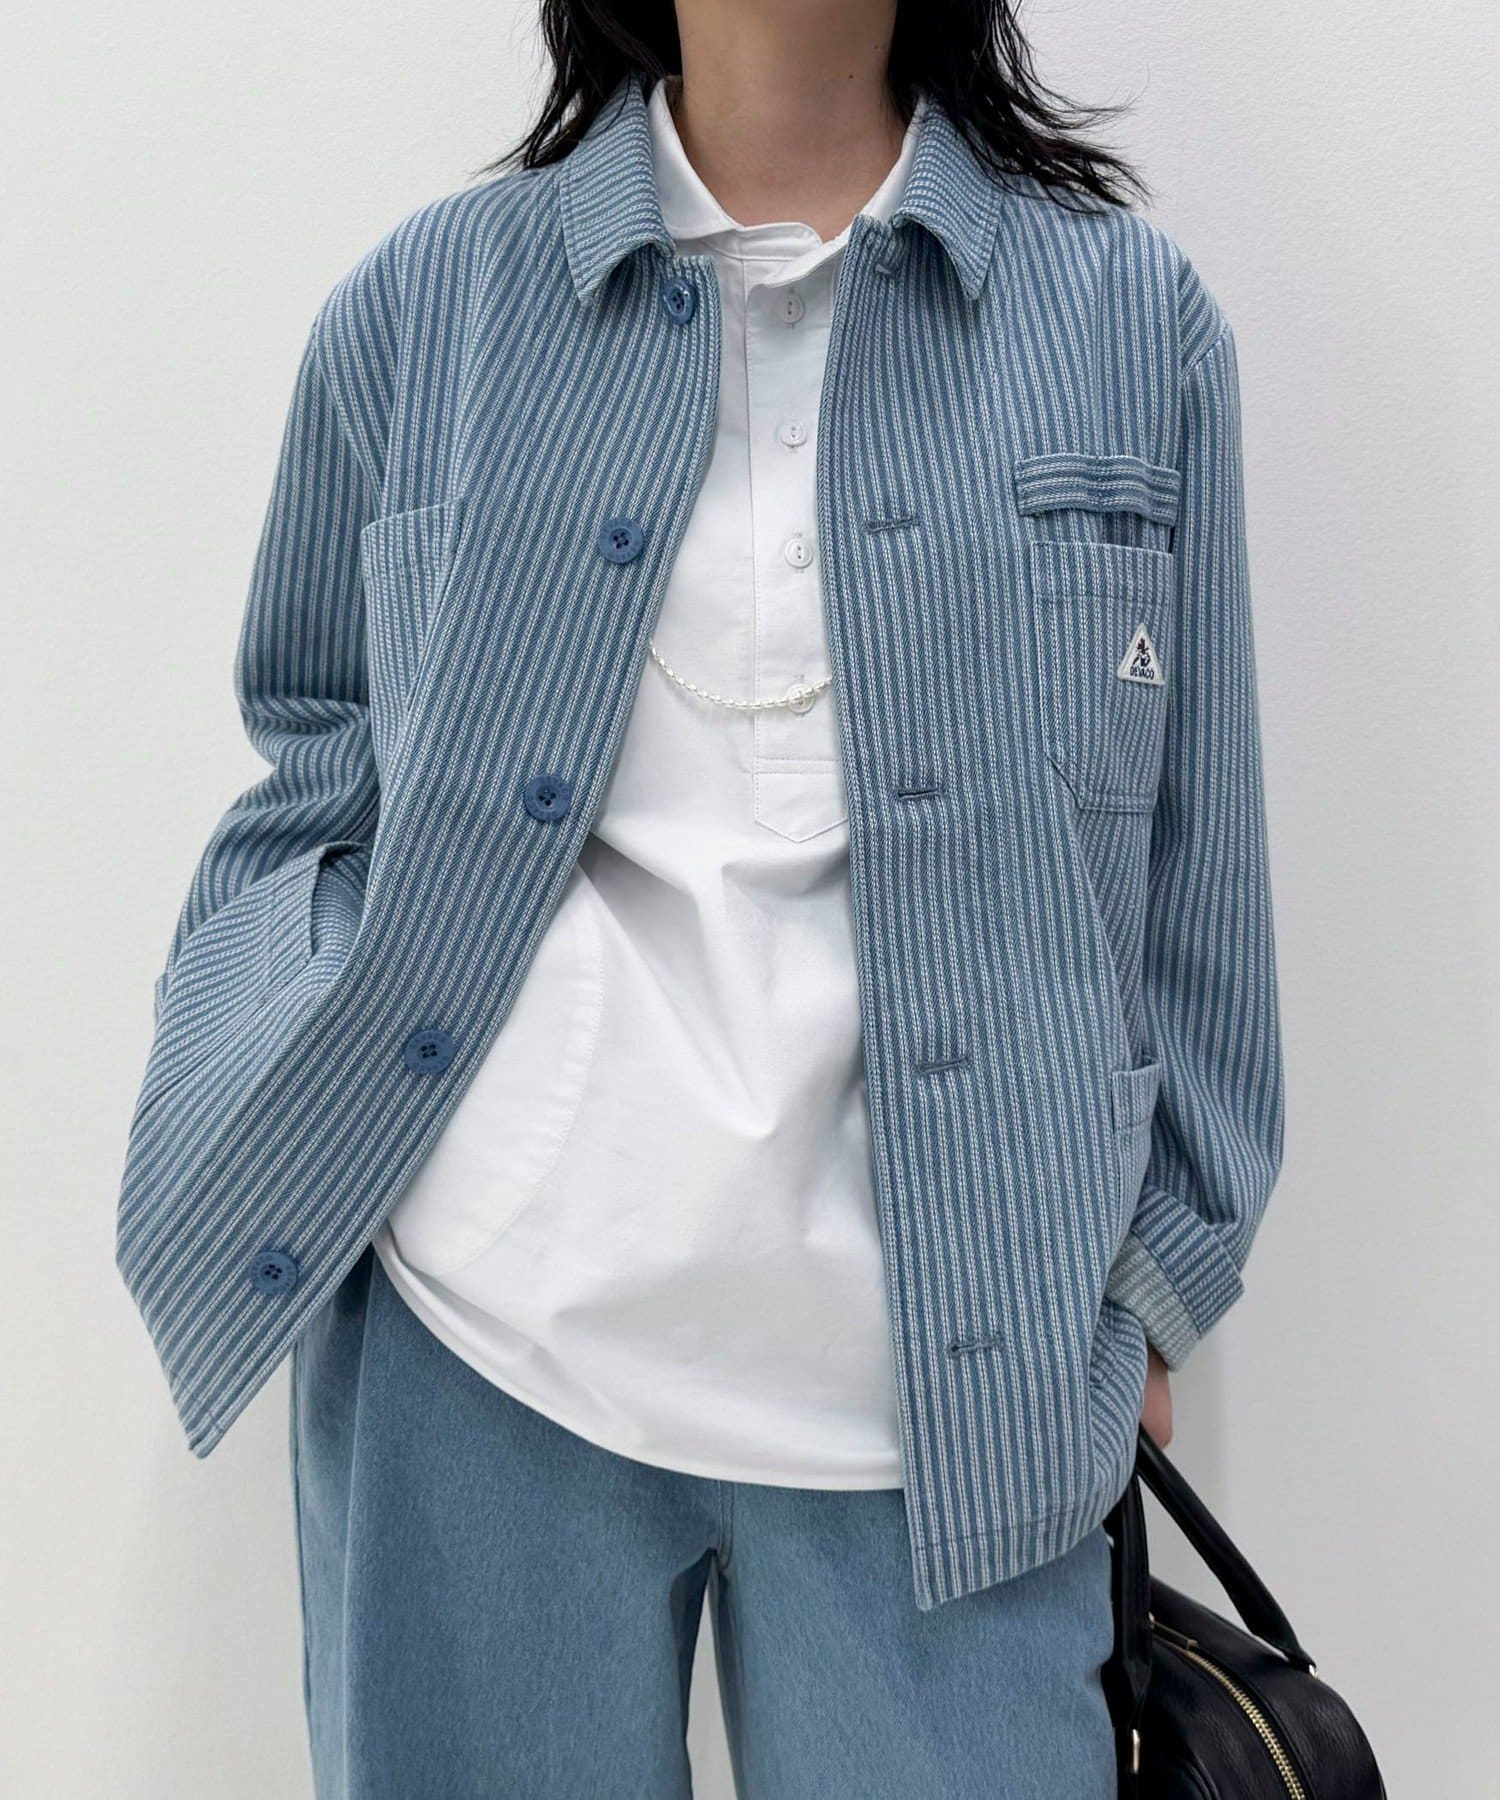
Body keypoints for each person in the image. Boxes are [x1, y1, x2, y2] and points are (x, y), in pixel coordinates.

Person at [114, 1, 1282, 1792]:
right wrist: (263, 1069)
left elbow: (1200, 853)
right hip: (479, 1364)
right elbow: (313, 762)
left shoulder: (1129, 321)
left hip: (961, 1415)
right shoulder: (426, 309)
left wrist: (1154, 1279)